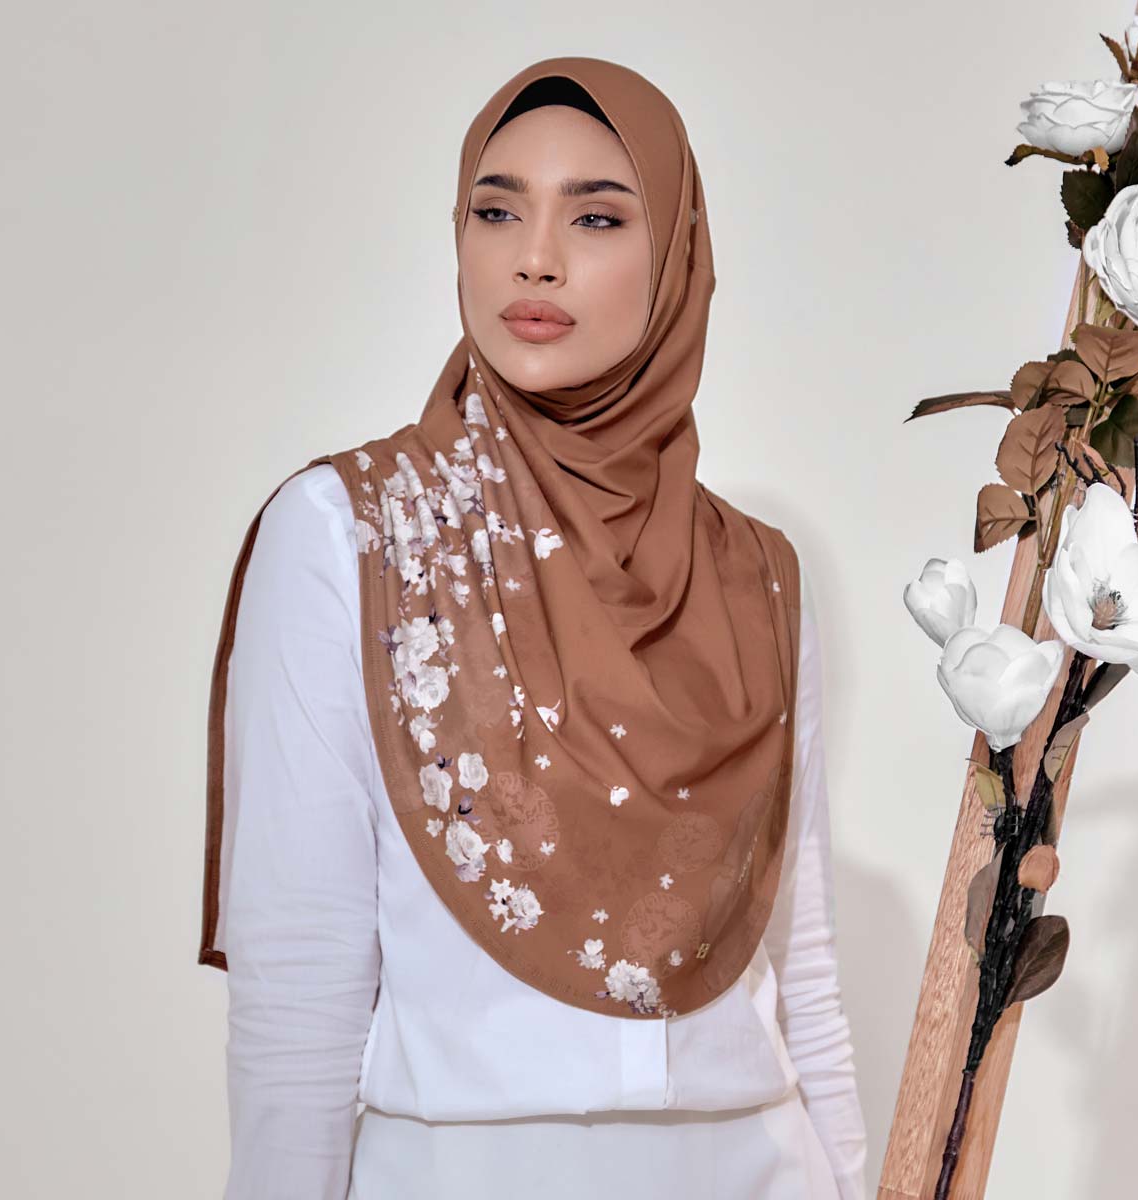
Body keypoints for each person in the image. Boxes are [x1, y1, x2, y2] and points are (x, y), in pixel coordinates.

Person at [198, 56, 868, 1199]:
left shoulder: (755, 570)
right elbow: (299, 979)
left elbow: (801, 961)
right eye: (496, 210)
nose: (534, 257)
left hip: (761, 1168)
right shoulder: (354, 532)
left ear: (678, 258)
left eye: (597, 217)